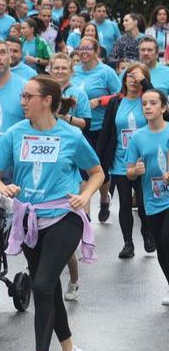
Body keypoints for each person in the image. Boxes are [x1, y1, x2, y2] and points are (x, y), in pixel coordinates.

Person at [0, 76, 104, 351]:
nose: (22, 101)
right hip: (29, 220)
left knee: (42, 284)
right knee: (46, 288)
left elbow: (97, 172)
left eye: (28, 96)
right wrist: (3, 188)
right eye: (22, 96)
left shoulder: (71, 135)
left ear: (47, 100)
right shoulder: (15, 133)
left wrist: (86, 195)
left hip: (65, 216)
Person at [96, 63, 153, 258]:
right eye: (130, 76)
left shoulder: (147, 101)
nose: (133, 80)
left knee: (143, 203)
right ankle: (128, 243)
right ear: (124, 79)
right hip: (121, 160)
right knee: (125, 202)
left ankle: (146, 232)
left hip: (144, 162)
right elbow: (106, 131)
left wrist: (146, 83)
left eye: (138, 77)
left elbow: (163, 108)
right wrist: (98, 160)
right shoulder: (116, 102)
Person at [125, 88, 169, 306]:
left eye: (153, 103)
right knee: (162, 249)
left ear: (164, 107)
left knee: (167, 239)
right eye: (144, 104)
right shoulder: (138, 137)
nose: (148, 107)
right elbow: (129, 171)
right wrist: (136, 170)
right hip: (152, 199)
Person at [71, 36, 121, 222]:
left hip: (102, 127)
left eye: (88, 49)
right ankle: (86, 214)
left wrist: (100, 101)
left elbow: (121, 95)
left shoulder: (106, 72)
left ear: (97, 51)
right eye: (81, 49)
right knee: (84, 170)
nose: (84, 52)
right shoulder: (74, 71)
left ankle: (104, 198)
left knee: (101, 168)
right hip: (80, 127)